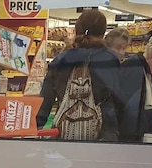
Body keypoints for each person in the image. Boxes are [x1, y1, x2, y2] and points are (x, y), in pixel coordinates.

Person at [36, 9, 121, 141]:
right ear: (103, 33)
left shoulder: (61, 60)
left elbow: (44, 103)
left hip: (64, 138)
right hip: (104, 138)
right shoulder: (110, 60)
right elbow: (119, 102)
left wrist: (36, 129)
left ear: (76, 30)